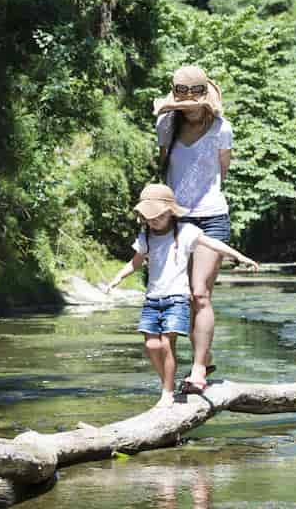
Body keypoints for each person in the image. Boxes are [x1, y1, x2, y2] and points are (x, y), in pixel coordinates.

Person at [105, 184, 257, 406]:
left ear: (170, 212)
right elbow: (135, 262)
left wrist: (240, 257)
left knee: (167, 343)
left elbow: (213, 243)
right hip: (152, 300)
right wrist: (118, 278)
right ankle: (167, 381)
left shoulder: (185, 231)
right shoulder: (146, 236)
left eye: (156, 216)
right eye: (148, 217)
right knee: (151, 346)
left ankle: (167, 392)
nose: (152, 221)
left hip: (176, 299)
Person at [153, 65, 233, 394]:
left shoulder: (222, 128)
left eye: (196, 104)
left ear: (207, 101)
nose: (191, 110)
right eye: (184, 104)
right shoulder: (166, 125)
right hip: (177, 219)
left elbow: (222, 173)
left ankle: (198, 370)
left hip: (212, 215)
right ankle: (204, 353)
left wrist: (203, 198)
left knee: (200, 292)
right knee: (184, 296)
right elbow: (166, 165)